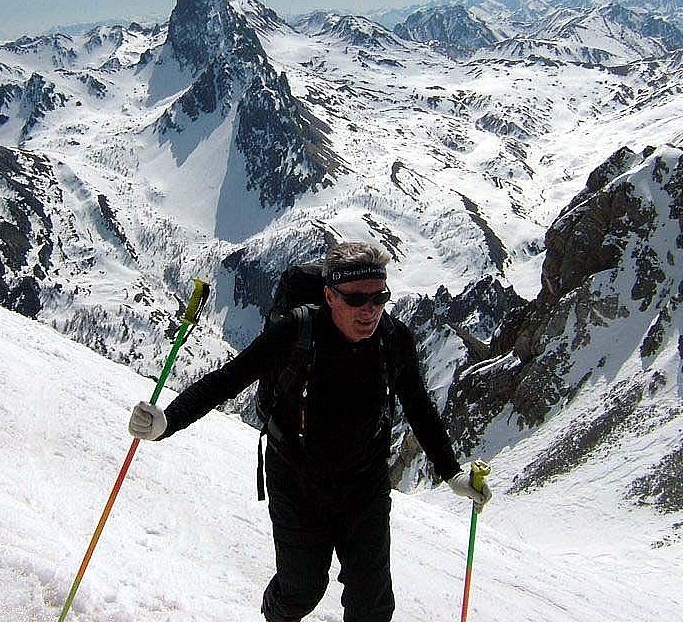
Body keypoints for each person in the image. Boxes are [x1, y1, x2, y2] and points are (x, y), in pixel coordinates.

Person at [129, 241, 492, 622]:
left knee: (373, 604)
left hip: (364, 484)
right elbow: (228, 380)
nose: (369, 310)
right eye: (355, 299)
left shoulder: (393, 338)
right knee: (301, 591)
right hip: (296, 481)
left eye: (379, 297)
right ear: (330, 296)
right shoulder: (296, 331)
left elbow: (418, 406)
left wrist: (452, 473)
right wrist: (167, 422)